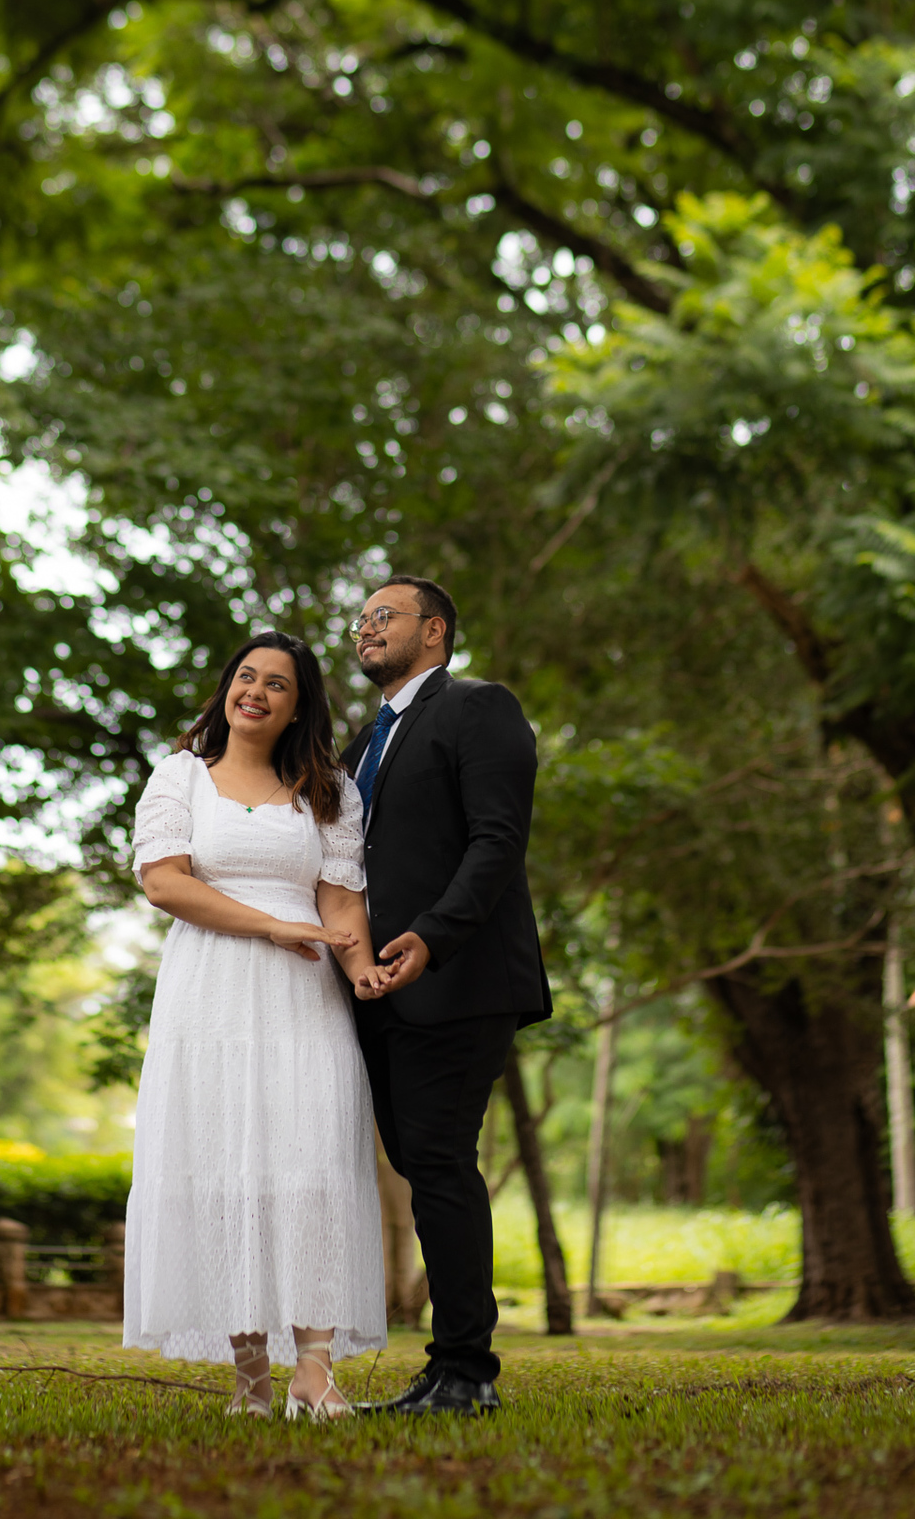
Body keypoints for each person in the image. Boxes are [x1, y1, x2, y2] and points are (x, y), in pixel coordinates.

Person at [124, 630, 391, 1419]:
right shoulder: (181, 778)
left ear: (298, 704)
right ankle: (250, 1374)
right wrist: (269, 927)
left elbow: (340, 903)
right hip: (209, 989)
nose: (258, 692)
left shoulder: (330, 790)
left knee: (309, 1166)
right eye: (247, 676)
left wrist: (363, 969)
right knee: (222, 1167)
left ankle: (314, 1366)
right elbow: (165, 884)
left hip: (304, 996)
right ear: (227, 688)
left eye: (278, 684)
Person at [342, 575, 552, 1416]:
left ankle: (467, 1372)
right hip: (382, 990)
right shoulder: (365, 740)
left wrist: (434, 935)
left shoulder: (479, 707)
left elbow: (498, 841)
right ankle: (447, 1369)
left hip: (462, 980)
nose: (366, 629)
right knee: (425, 1165)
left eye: (382, 617)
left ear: (433, 632)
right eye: (359, 620)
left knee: (439, 1160)